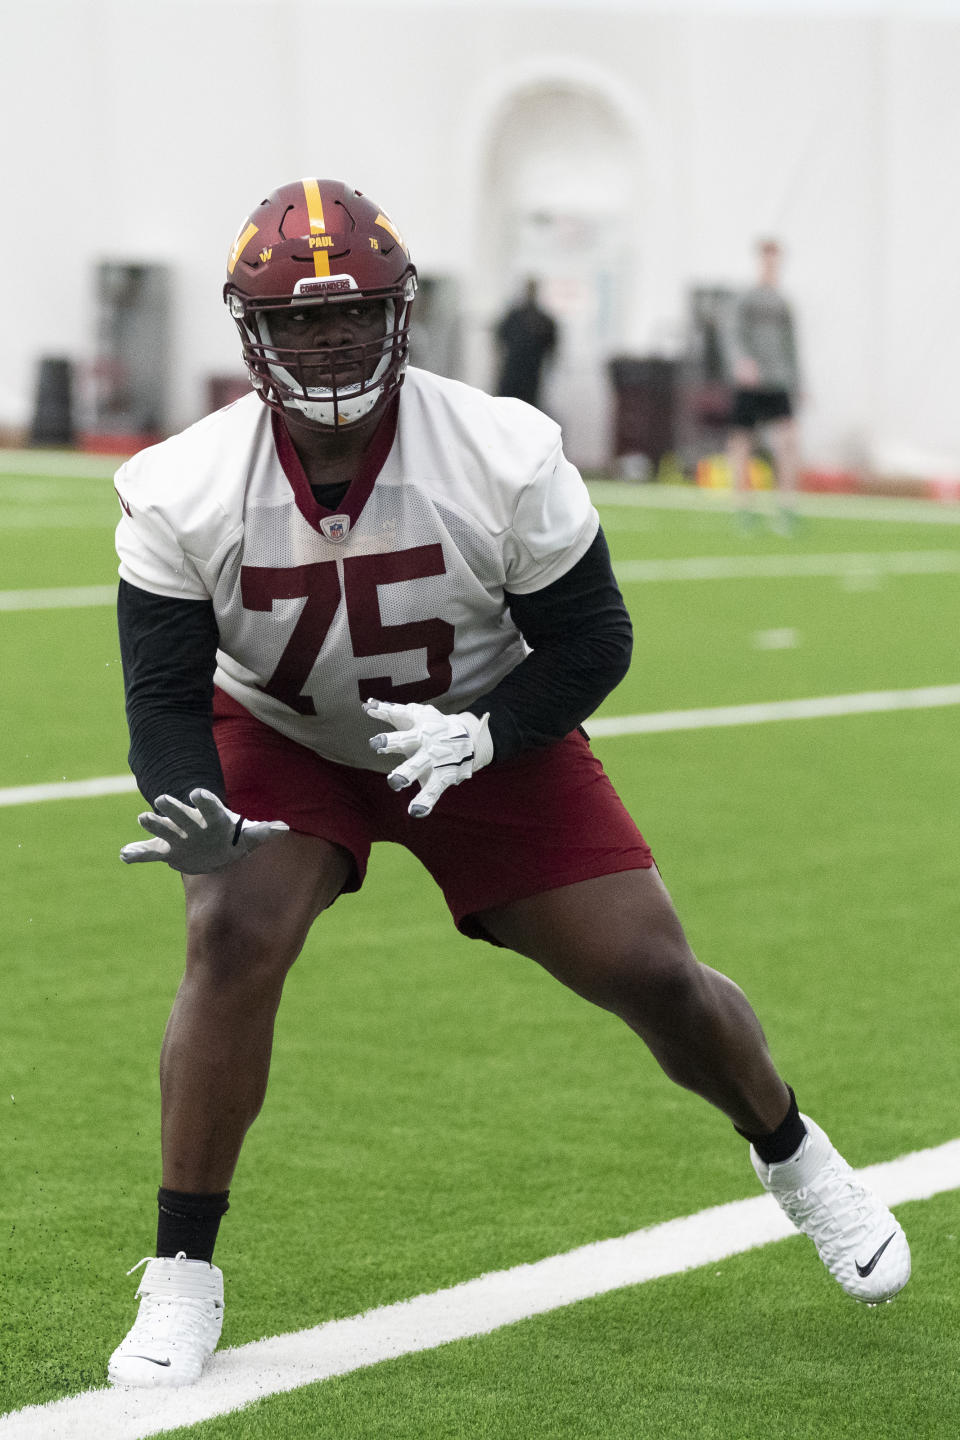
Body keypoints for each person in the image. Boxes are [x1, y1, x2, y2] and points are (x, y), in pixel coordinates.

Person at [108, 179, 908, 1389]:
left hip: (482, 723)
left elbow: (593, 641)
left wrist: (486, 732)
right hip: (281, 730)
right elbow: (167, 695)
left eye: (353, 316)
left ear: (402, 315)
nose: (327, 343)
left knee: (648, 969)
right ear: (250, 334)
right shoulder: (183, 484)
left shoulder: (498, 447)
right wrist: (191, 801)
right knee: (234, 933)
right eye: (297, 323)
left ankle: (793, 1152)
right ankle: (181, 1273)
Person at [725, 238, 802, 532]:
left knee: (788, 441)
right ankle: (743, 507)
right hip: (751, 383)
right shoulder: (747, 298)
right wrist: (742, 361)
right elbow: (732, 334)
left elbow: (791, 345)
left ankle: (786, 507)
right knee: (742, 442)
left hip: (778, 381)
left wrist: (797, 381)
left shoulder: (783, 301)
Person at [494, 277, 557, 408]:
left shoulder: (543, 320)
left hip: (531, 374)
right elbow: (500, 340)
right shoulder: (514, 316)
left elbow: (552, 348)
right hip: (512, 371)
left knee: (526, 408)